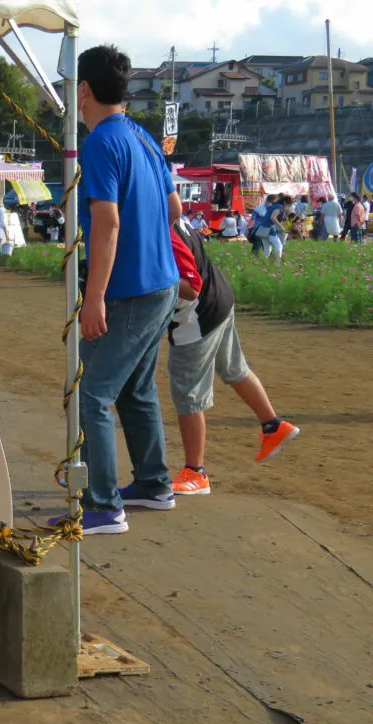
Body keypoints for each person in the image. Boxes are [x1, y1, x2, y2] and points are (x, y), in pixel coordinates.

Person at [53, 44, 181, 536]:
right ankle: (153, 483)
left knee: (91, 392)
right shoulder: (142, 136)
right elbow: (173, 209)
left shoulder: (101, 143)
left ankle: (103, 505)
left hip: (130, 290)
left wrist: (94, 299)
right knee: (135, 389)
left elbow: (106, 224)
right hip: (161, 282)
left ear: (83, 90)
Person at [167, 220, 300, 495]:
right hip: (218, 298)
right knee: (234, 368)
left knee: (188, 393)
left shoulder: (159, 226)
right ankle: (273, 426)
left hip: (196, 314)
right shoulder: (172, 216)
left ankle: (195, 471)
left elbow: (190, 286)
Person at [254, 194, 285, 261]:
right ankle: (278, 262)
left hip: (262, 228)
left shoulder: (270, 207)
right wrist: (281, 227)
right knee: (278, 245)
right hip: (270, 228)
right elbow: (272, 218)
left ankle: (263, 263)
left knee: (267, 248)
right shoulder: (278, 207)